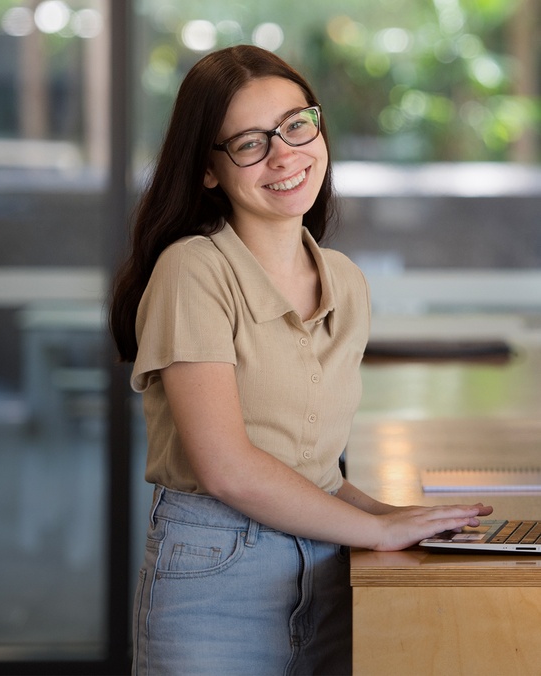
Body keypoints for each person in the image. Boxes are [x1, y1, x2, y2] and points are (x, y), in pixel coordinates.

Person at [109, 45, 492, 676]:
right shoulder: (194, 270)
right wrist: (375, 532)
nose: (285, 154)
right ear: (208, 169)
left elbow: (311, 471)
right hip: (217, 578)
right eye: (250, 142)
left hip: (326, 566)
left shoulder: (344, 281)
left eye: (295, 125)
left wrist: (397, 519)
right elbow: (227, 468)